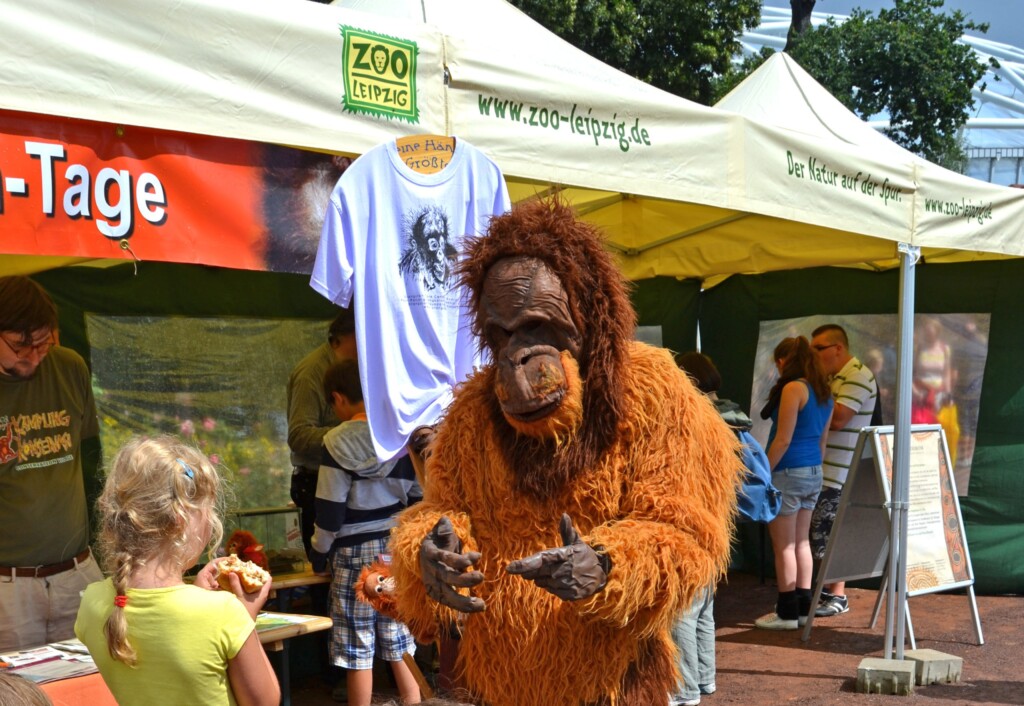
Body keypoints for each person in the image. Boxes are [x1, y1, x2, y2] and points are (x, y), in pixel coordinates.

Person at [74, 435, 280, 706]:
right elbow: (265, 700)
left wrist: (195, 594)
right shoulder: (223, 613)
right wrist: (245, 620)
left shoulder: (92, 601)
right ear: (182, 520)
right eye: (209, 509)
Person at [310, 359, 423, 706]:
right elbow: (419, 498)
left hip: (353, 555)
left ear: (338, 399)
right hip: (394, 548)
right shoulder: (398, 437)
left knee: (357, 640)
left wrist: (318, 552)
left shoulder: (336, 443)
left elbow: (329, 512)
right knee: (397, 630)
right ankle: (415, 699)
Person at [0, 276, 104, 652]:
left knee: (91, 687)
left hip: (77, 573)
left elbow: (90, 459)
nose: (33, 354)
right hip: (8, 587)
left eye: (43, 343)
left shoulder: (70, 367)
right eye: (19, 345)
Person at [670, 351, 750, 705]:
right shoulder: (731, 412)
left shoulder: (694, 416)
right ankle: (704, 680)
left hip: (693, 520)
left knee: (684, 606)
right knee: (703, 605)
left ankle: (685, 690)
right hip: (718, 520)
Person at [755, 337, 833, 631]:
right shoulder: (824, 392)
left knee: (784, 546)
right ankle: (802, 609)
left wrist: (763, 472)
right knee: (802, 542)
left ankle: (786, 612)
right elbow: (822, 441)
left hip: (788, 471)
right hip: (814, 471)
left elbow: (783, 438)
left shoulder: (793, 388)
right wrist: (815, 469)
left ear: (785, 361)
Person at [809, 323, 878, 618]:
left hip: (840, 472)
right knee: (817, 534)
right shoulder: (833, 376)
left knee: (829, 534)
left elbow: (839, 418)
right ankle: (826, 591)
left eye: (818, 349)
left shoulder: (857, 375)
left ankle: (837, 594)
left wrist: (812, 392)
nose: (814, 355)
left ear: (838, 348)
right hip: (824, 467)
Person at [288, 308, 357, 561]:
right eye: (359, 338)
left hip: (352, 486)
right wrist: (349, 437)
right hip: (317, 484)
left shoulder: (358, 368)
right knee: (323, 572)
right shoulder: (311, 373)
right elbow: (299, 435)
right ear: (338, 339)